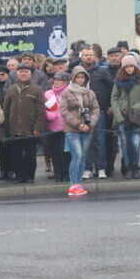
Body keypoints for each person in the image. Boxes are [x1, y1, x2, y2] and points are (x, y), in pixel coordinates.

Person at [2, 63, 44, 184]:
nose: (23, 74)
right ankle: (19, 176)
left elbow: (41, 111)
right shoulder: (11, 89)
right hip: (15, 128)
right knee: (17, 155)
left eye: (26, 72)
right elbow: (6, 109)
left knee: (30, 154)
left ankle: (30, 176)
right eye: (21, 72)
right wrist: (6, 128)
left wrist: (38, 128)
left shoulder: (37, 90)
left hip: (30, 129)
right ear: (17, 74)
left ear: (30, 74)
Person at [61, 66, 100, 196]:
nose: (80, 80)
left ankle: (79, 182)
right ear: (73, 78)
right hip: (72, 129)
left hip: (87, 128)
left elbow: (95, 109)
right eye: (77, 77)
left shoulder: (90, 93)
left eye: (82, 77)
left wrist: (91, 124)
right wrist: (78, 124)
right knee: (76, 155)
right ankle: (73, 184)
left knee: (83, 156)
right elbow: (64, 111)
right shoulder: (67, 92)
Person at [111, 54, 140, 180]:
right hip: (122, 116)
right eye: (127, 67)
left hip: (136, 117)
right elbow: (114, 98)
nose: (129, 69)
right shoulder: (118, 80)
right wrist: (118, 114)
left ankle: (135, 166)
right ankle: (128, 167)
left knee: (135, 143)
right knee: (124, 143)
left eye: (131, 66)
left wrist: (136, 108)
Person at [77, 46, 114, 179]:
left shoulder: (102, 71)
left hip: (99, 111)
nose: (89, 57)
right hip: (82, 112)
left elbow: (111, 89)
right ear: (82, 57)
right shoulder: (77, 71)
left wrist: (108, 105)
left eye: (91, 55)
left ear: (95, 57)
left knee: (100, 140)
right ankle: (87, 168)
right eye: (86, 55)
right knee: (86, 141)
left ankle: (101, 168)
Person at [43, 72, 71, 182]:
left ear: (65, 81)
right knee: (54, 151)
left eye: (59, 80)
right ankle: (58, 174)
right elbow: (44, 108)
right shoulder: (48, 94)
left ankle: (67, 173)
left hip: (67, 127)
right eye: (55, 80)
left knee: (65, 151)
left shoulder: (69, 92)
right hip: (52, 127)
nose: (56, 82)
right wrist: (48, 114)